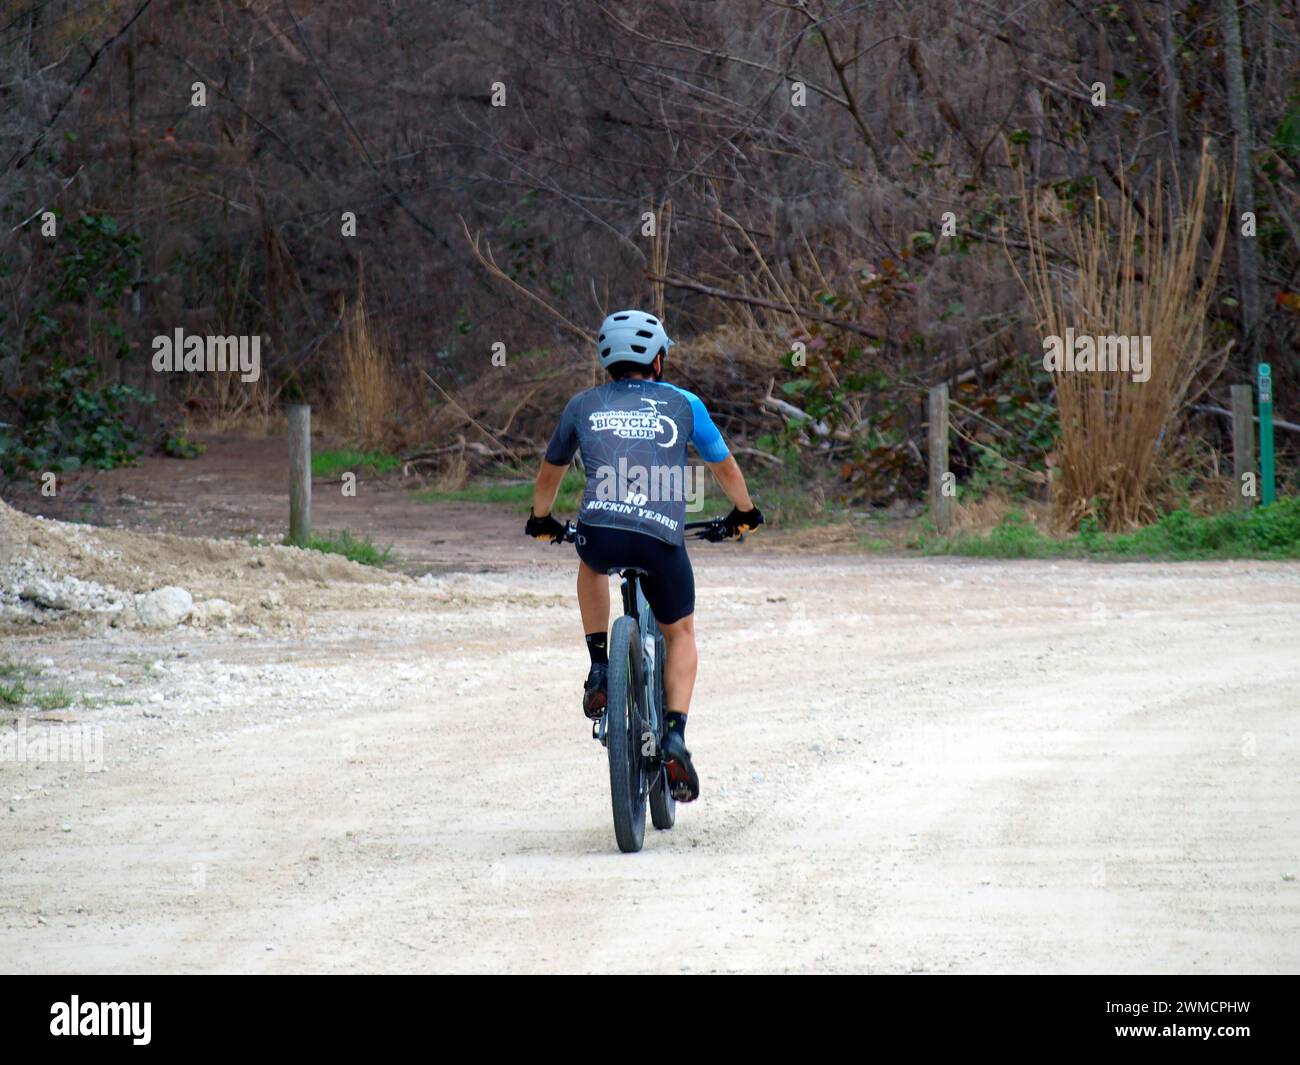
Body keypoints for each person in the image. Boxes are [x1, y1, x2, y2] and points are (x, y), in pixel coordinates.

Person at [524, 309, 763, 802]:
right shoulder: (684, 402)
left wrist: (541, 520)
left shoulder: (582, 405)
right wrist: (745, 512)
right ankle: (674, 734)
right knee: (681, 633)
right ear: (657, 360)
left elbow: (551, 474)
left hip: (602, 532)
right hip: (658, 538)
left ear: (607, 361)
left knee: (590, 563)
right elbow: (725, 467)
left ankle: (598, 666)